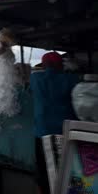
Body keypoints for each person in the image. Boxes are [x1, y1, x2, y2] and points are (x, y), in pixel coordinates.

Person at [30, 52, 80, 194]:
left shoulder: (36, 79)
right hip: (67, 133)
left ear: (45, 65)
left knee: (44, 172)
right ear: (60, 65)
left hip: (43, 133)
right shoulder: (71, 79)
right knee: (68, 170)